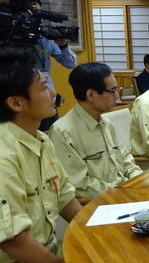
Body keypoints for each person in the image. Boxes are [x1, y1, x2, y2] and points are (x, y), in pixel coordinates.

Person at [0, 47, 133, 263]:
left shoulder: (38, 139)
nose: (54, 92)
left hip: (40, 253)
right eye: (44, 87)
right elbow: (14, 241)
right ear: (17, 103)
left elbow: (65, 200)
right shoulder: (4, 155)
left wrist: (104, 230)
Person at [49, 62, 142, 199]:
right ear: (91, 95)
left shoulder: (106, 122)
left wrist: (138, 181)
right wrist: (122, 192)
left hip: (126, 192)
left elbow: (125, 157)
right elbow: (78, 184)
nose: (117, 97)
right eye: (113, 91)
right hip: (102, 202)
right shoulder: (63, 131)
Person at [9, 0, 77, 131]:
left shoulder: (44, 39)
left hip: (47, 100)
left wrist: (62, 44)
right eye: (34, 15)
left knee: (52, 139)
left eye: (40, 15)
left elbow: (70, 64)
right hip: (21, 103)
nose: (38, 19)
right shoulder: (9, 38)